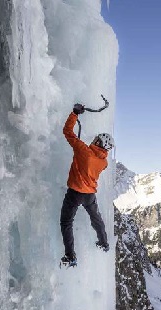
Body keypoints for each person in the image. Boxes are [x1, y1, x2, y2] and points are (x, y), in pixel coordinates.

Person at [60, 102, 114, 267]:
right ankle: (104, 243)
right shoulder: (103, 162)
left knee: (66, 222)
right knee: (96, 218)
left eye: (97, 139)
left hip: (74, 193)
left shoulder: (84, 151)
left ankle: (71, 256)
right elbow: (91, 158)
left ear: (99, 143)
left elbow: (67, 132)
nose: (94, 139)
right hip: (89, 195)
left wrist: (75, 113)